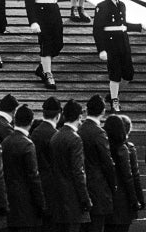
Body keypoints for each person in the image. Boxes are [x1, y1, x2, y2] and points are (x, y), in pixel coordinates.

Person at [92, 0, 143, 113]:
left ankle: (113, 94)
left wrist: (138, 27)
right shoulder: (102, 6)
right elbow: (97, 29)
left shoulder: (122, 5)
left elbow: (123, 25)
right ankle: (115, 101)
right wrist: (101, 49)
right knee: (115, 74)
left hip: (123, 42)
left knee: (128, 74)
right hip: (111, 44)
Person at [50, 99, 93, 232]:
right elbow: (78, 171)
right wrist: (85, 199)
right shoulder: (75, 139)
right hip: (73, 200)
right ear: (79, 116)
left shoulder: (55, 137)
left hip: (58, 197)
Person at [2, 104, 45, 232]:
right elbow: (33, 177)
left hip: (10, 201)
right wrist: (41, 203)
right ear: (31, 122)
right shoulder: (27, 144)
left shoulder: (6, 141)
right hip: (27, 205)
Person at [26, 0, 65, 90]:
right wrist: (33, 21)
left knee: (58, 44)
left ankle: (42, 68)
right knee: (46, 44)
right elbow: (29, 1)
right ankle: (48, 73)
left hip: (54, 12)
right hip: (41, 14)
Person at [79, 94, 117, 232]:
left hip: (81, 186)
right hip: (98, 188)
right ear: (103, 111)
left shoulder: (79, 130)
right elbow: (107, 162)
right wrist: (113, 186)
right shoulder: (99, 133)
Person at [28, 97, 61, 230]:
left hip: (35, 189)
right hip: (53, 192)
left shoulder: (34, 133)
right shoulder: (56, 135)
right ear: (58, 115)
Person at [104, 114, 139, 232]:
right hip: (122, 200)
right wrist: (135, 200)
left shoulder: (104, 146)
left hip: (106, 196)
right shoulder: (125, 148)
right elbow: (129, 176)